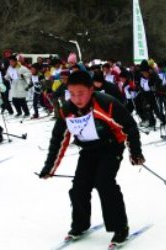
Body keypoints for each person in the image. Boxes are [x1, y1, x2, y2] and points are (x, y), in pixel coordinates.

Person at [38, 70, 145, 245]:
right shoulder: (68, 110)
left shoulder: (106, 104)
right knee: (79, 187)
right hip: (88, 150)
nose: (77, 99)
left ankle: (120, 227)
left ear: (91, 89)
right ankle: (80, 224)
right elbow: (59, 139)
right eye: (72, 94)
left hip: (111, 148)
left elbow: (129, 127)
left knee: (104, 183)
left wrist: (135, 152)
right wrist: (49, 167)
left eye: (81, 93)